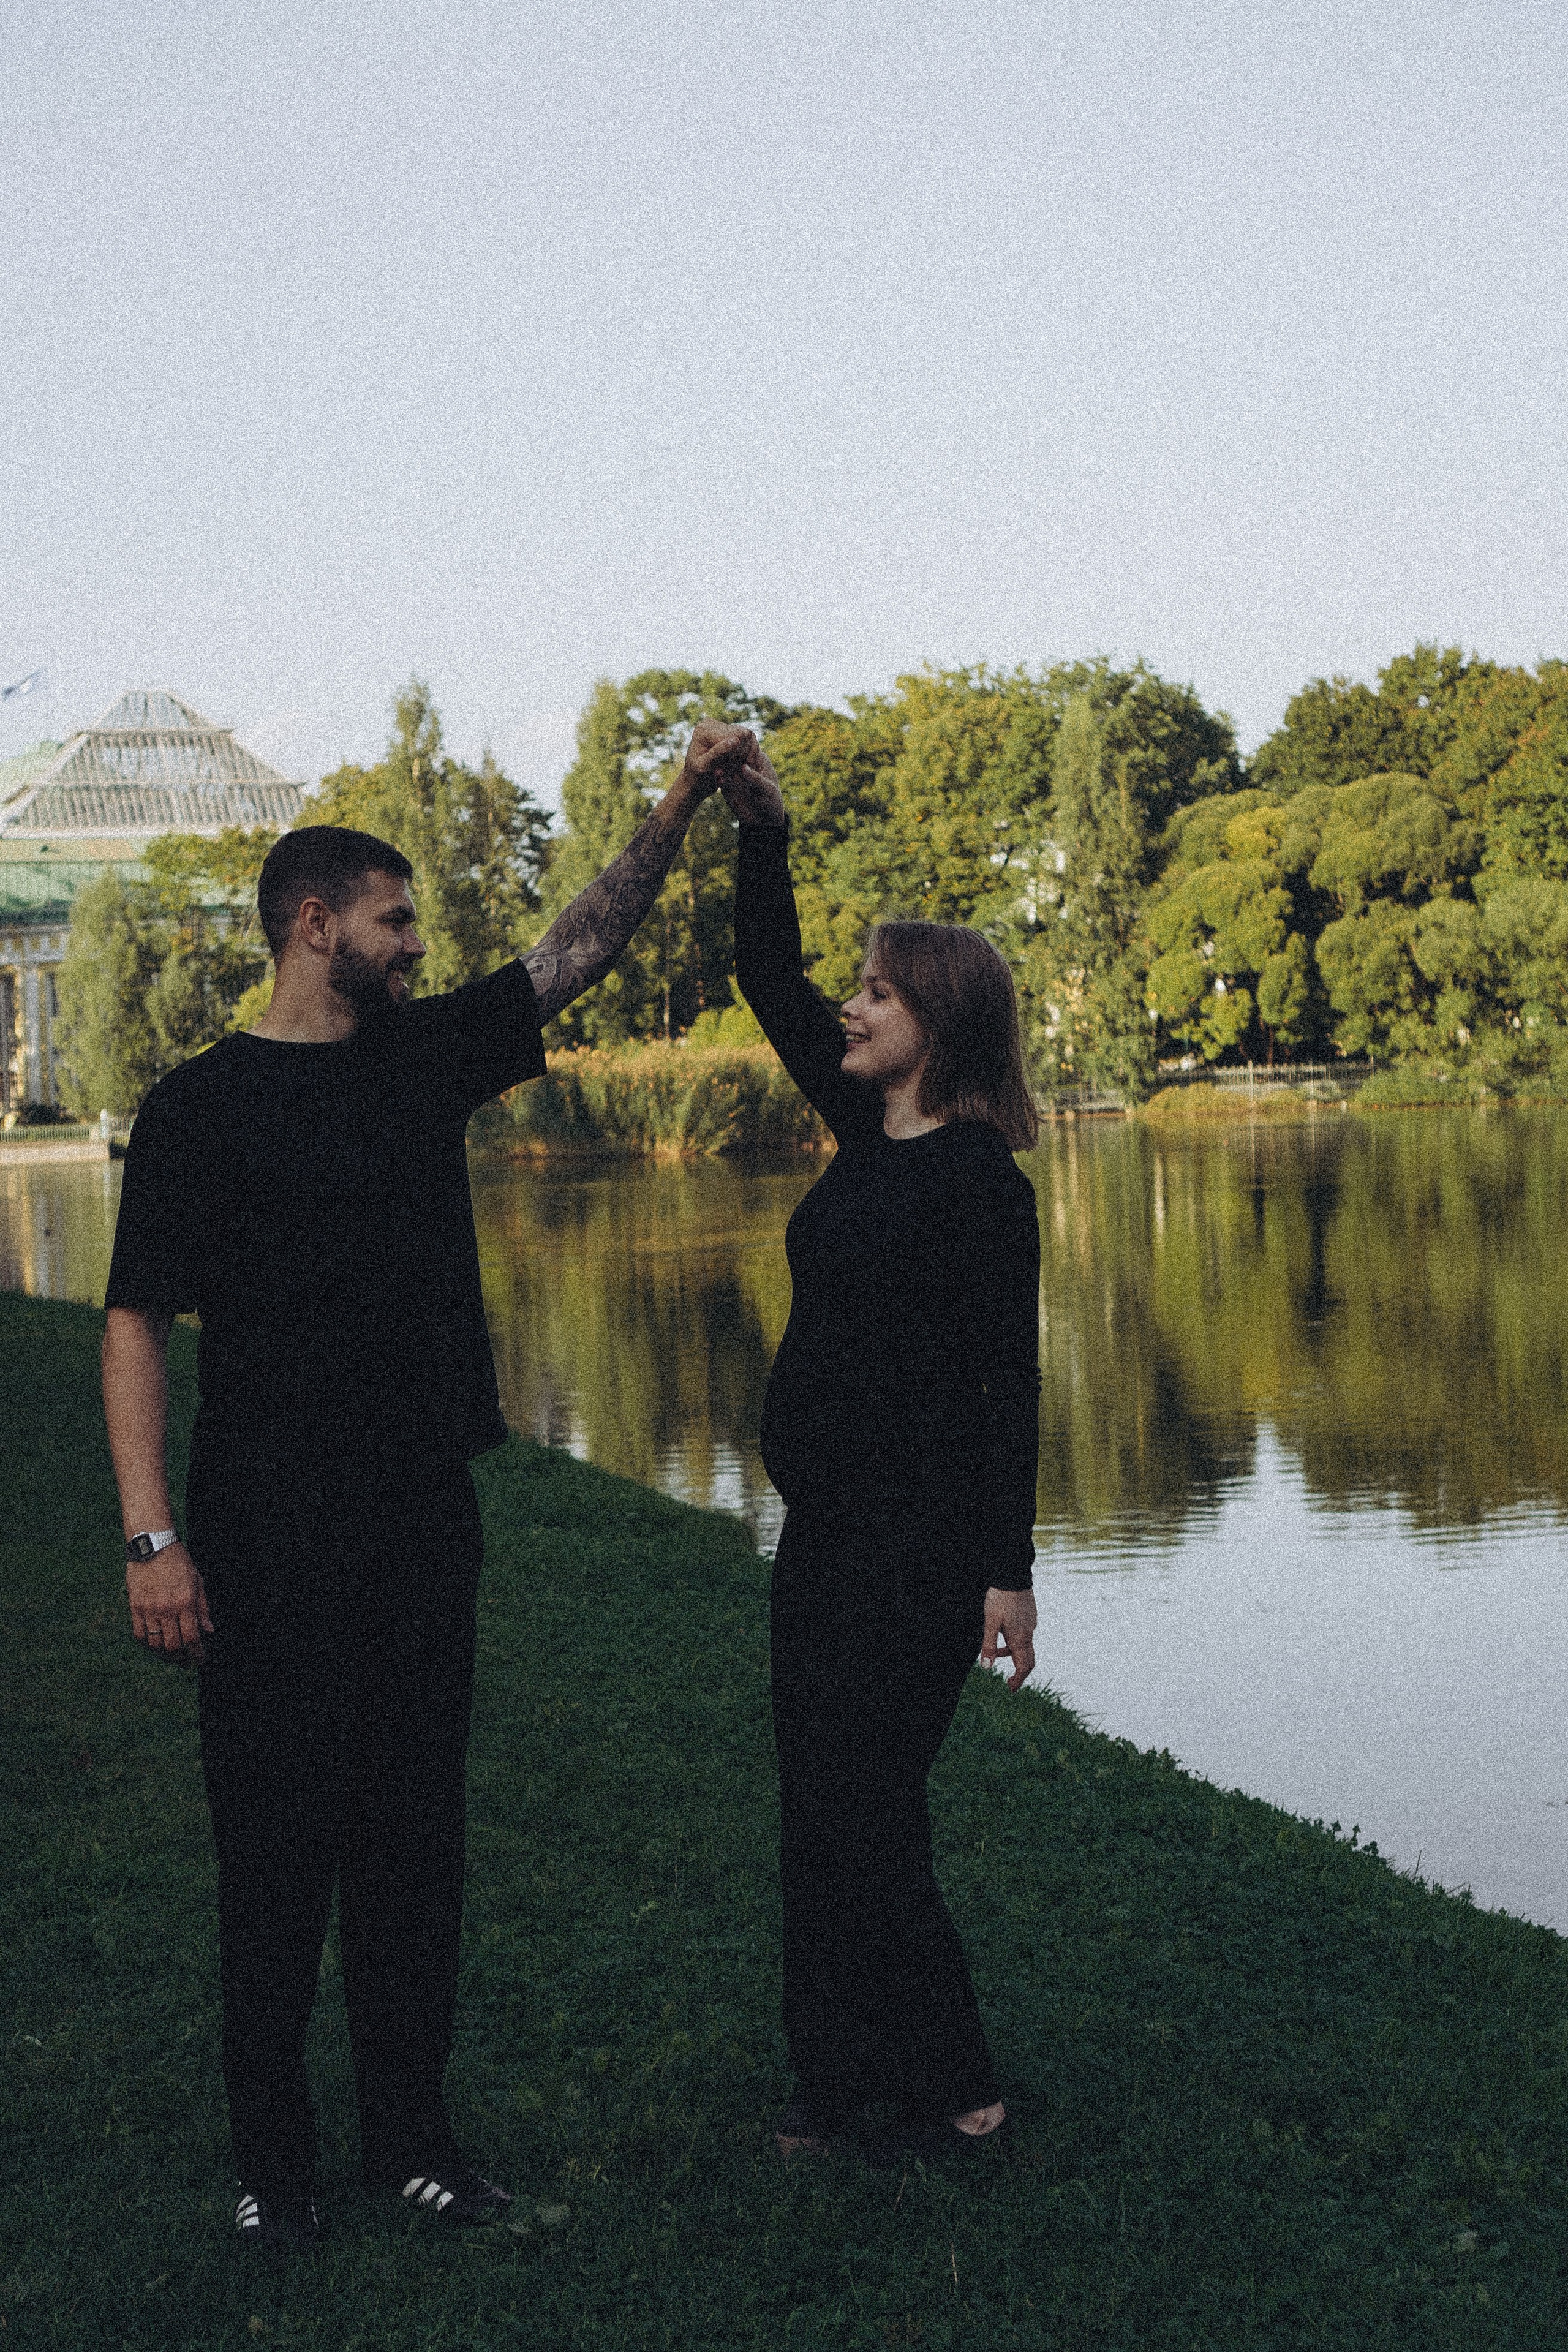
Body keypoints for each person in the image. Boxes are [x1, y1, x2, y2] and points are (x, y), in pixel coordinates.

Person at [100, 722, 742, 2254]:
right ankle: (276, 2169)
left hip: (416, 1530)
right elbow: (131, 1328)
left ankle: (415, 2146)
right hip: (257, 1534)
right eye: (394, 921)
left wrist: (679, 801)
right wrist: (152, 1539)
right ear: (313, 924)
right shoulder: (196, 1109)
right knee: (271, 1857)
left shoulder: (421, 1058)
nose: (415, 945)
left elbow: (580, 944)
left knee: (411, 1848)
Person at [720, 737, 1041, 2163]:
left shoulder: (979, 1182)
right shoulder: (864, 1133)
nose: (847, 1010)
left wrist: (1006, 1573)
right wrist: (762, 831)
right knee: (818, 1811)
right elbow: (759, 973)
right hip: (825, 1540)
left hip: (917, 1555)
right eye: (853, 990)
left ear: (941, 1023)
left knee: (866, 1809)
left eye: (875, 993)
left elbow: (1003, 1388)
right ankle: (835, 2082)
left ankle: (958, 2086)